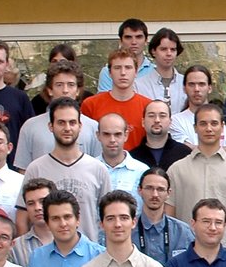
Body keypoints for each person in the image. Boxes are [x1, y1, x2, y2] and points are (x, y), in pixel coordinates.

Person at [165, 103, 226, 253]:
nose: (209, 128)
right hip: (187, 253)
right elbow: (169, 214)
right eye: (203, 123)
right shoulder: (177, 169)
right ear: (195, 127)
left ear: (222, 127)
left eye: (214, 123)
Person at [18, 98, 112, 241]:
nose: (67, 128)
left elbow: (109, 216)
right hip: (48, 255)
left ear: (80, 126)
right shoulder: (36, 169)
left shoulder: (98, 169)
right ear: (51, 126)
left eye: (72, 122)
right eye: (61, 122)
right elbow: (23, 216)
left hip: (89, 256)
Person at [14, 61, 101, 168]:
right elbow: (23, 171)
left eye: (71, 85)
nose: (65, 90)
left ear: (78, 90)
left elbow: (99, 169)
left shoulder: (93, 127)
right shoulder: (31, 126)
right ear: (50, 90)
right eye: (59, 85)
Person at [170, 64, 226, 158]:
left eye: (201, 84)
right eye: (191, 84)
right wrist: (223, 149)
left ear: (209, 88)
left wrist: (197, 148)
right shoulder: (176, 121)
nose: (196, 89)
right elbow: (183, 152)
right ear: (184, 88)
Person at [82, 50, 152, 151]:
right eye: (117, 68)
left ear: (136, 72)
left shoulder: (148, 107)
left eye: (128, 68)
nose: (123, 73)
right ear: (110, 73)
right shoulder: (90, 104)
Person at [96, 113, 149, 210]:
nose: (112, 140)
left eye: (117, 134)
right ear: (98, 135)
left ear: (126, 135)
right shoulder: (89, 169)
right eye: (106, 134)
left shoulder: (142, 171)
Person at [95, 18, 154, 93]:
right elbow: (104, 102)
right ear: (120, 41)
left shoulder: (154, 71)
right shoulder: (107, 72)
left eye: (138, 37)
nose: (134, 42)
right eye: (128, 37)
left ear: (146, 41)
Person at [134, 27, 185, 112]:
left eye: (173, 49)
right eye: (163, 49)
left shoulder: (186, 83)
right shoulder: (138, 85)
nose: (169, 54)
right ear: (153, 51)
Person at [130, 99, 191, 170]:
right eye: (151, 116)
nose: (157, 120)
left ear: (170, 122)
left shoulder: (184, 154)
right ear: (143, 122)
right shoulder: (132, 158)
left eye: (162, 116)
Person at [10, 178, 55, 267]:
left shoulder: (75, 241)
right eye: (31, 203)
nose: (37, 207)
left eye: (42, 201)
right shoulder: (15, 247)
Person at [29, 43, 78, 116]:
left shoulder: (86, 99)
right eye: (54, 61)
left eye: (62, 61)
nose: (58, 65)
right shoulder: (38, 101)